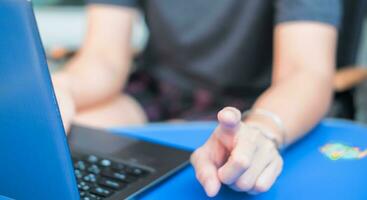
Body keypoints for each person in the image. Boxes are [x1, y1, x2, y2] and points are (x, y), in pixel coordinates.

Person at [52, 0, 341, 197]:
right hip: (159, 89)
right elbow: (103, 56)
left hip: (252, 105)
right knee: (67, 146)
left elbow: (305, 72)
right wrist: (63, 87)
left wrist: (262, 130)